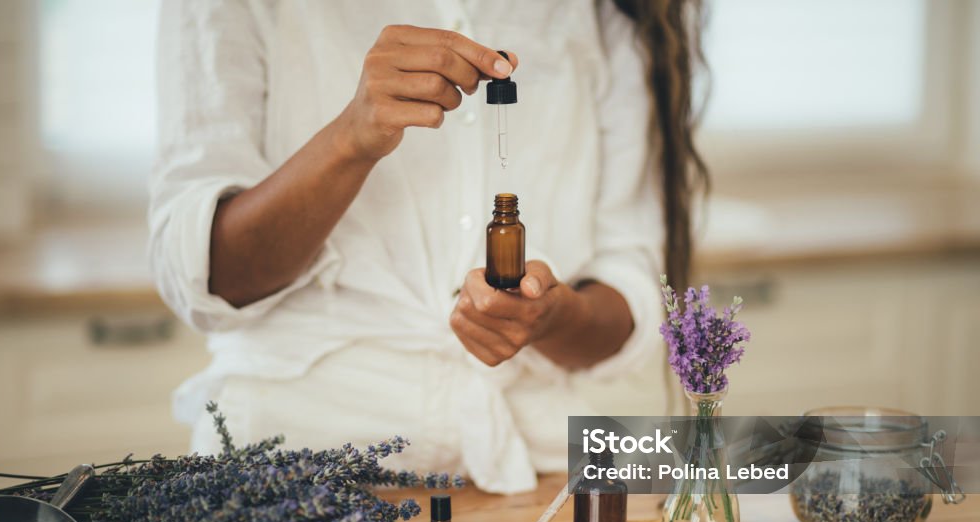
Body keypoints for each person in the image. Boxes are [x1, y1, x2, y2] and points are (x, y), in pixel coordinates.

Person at [149, 0, 708, 494]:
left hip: (529, 470)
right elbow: (207, 277)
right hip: (291, 469)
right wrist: (350, 138)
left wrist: (552, 316)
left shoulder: (604, 14)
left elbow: (629, 289)